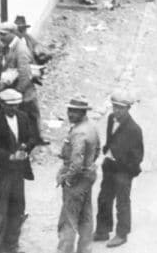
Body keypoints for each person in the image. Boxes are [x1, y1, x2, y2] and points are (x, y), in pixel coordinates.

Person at [0, 88, 36, 253]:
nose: (13, 109)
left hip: (18, 174)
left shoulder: (23, 118)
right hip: (0, 175)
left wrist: (26, 148)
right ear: (2, 104)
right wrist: (11, 156)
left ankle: (11, 245)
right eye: (9, 106)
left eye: (16, 106)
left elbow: (31, 137)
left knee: (17, 210)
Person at [94, 92, 144, 248]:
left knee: (122, 202)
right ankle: (102, 230)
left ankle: (122, 234)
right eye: (115, 107)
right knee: (104, 198)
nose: (117, 111)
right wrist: (107, 152)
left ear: (128, 108)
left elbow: (138, 156)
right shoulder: (110, 119)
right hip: (110, 166)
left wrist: (127, 170)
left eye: (121, 108)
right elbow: (110, 139)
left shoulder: (134, 129)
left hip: (124, 170)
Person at [57, 96, 101, 253]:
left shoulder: (78, 132)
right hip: (88, 177)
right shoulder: (91, 126)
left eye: (74, 111)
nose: (70, 114)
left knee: (68, 220)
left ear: (83, 112)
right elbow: (97, 150)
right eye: (69, 110)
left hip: (76, 181)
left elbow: (75, 163)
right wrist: (88, 166)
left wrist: (68, 179)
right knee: (85, 218)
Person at [0, 22, 42, 145]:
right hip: (18, 90)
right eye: (0, 34)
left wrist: (17, 92)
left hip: (23, 92)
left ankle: (32, 142)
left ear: (13, 33)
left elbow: (25, 74)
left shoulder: (20, 49)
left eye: (4, 34)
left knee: (29, 116)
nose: (1, 37)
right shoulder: (11, 47)